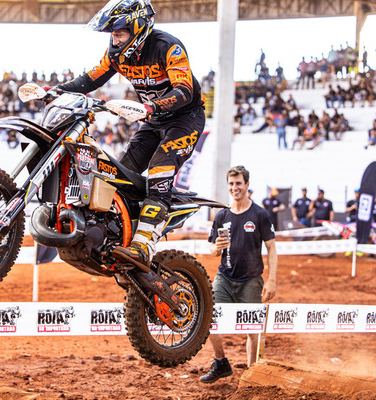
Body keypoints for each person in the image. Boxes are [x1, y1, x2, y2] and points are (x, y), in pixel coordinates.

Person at [56, 0, 206, 270]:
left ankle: (144, 243)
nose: (114, 40)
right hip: (152, 120)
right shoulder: (116, 55)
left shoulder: (168, 47)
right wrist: (56, 91)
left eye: (119, 33)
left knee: (159, 170)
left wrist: (150, 107)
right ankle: (117, 234)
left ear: (138, 30)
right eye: (112, 34)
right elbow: (90, 80)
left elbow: (184, 91)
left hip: (185, 118)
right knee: (119, 174)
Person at [200, 165, 277, 384]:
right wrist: (216, 247)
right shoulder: (222, 215)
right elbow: (212, 249)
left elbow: (271, 248)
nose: (235, 188)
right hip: (224, 277)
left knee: (252, 329)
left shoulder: (260, 214)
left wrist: (271, 280)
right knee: (210, 318)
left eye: (239, 183)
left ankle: (251, 376)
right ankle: (220, 362)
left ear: (247, 185)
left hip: (251, 280)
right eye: (231, 184)